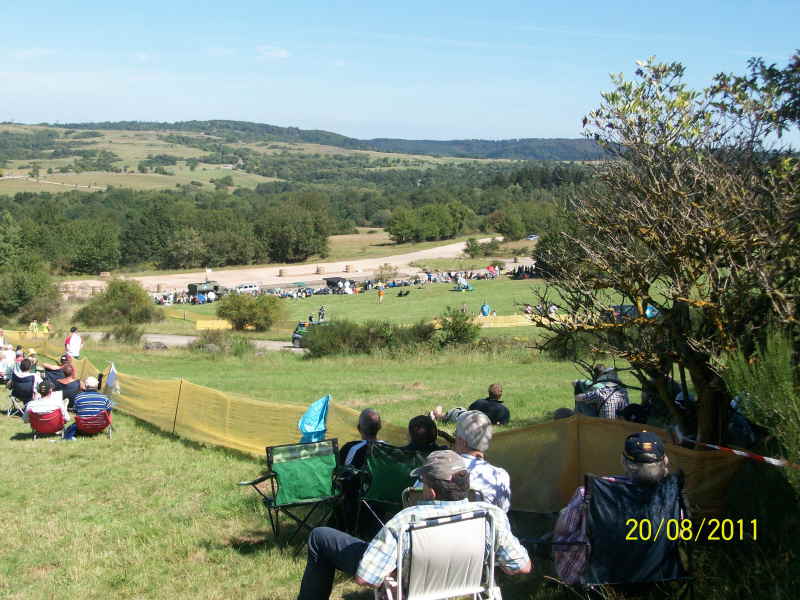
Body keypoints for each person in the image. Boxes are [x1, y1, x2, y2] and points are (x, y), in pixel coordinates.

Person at [297, 450, 531, 600]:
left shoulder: (406, 521)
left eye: (423, 482)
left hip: (412, 582)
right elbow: (521, 566)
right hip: (466, 579)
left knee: (320, 536)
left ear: (431, 490)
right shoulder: (491, 516)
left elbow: (366, 577)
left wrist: (397, 569)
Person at [553, 431, 677, 583]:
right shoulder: (672, 497)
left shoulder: (590, 493)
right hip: (656, 577)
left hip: (597, 580)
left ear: (623, 461)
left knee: (564, 536)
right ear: (664, 461)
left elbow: (562, 532)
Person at [453, 411, 511, 512]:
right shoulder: (499, 476)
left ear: (462, 442)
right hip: (485, 522)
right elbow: (502, 513)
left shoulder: (443, 470)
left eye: (455, 436)